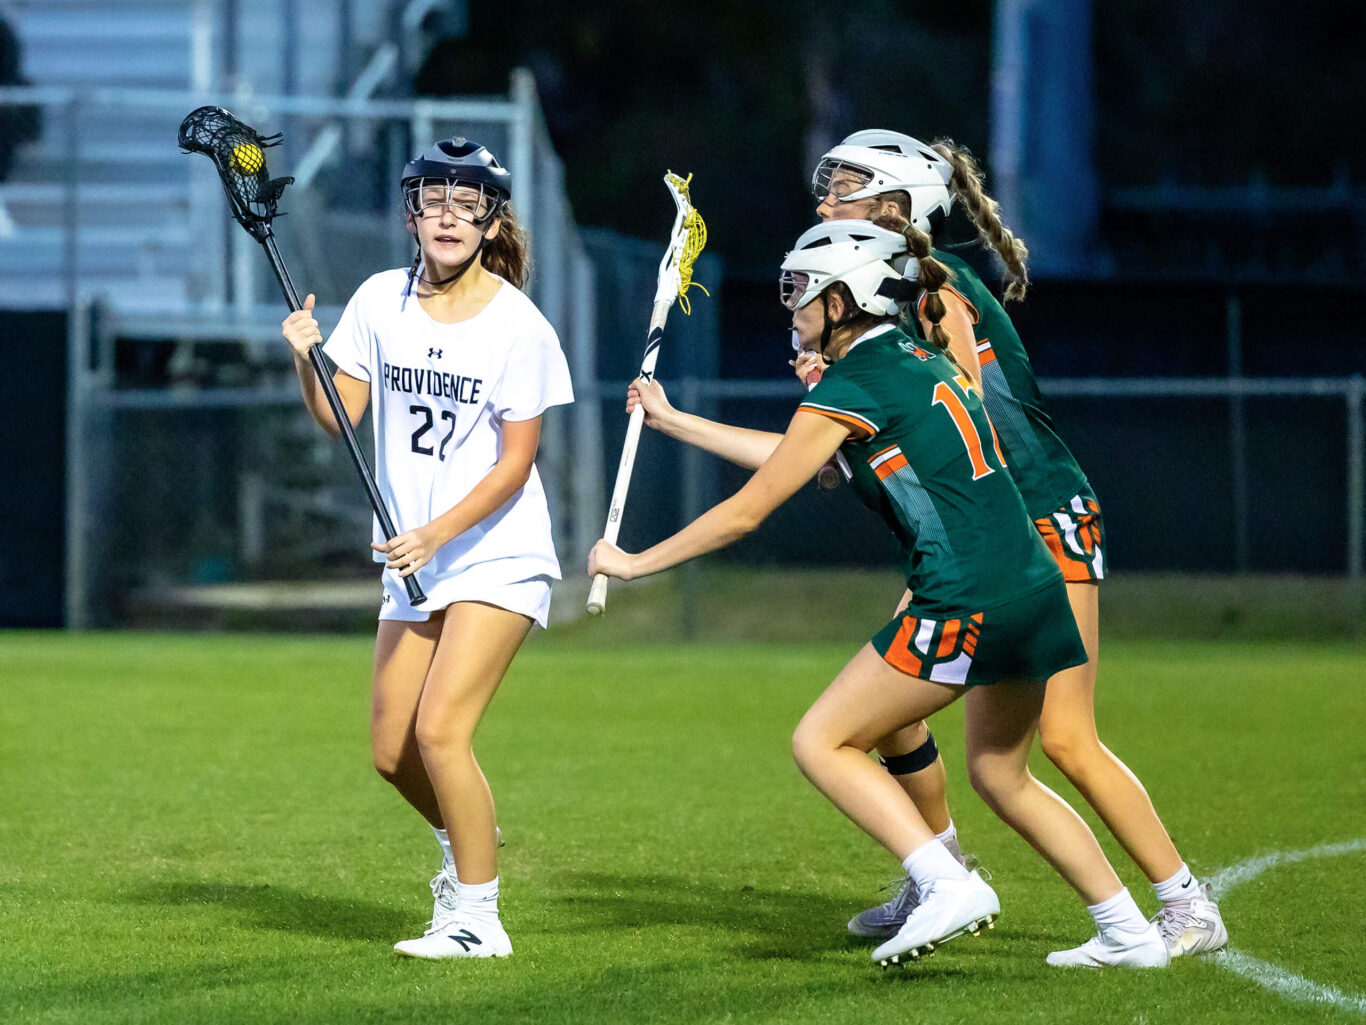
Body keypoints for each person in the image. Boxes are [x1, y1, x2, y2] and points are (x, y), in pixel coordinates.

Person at [591, 220, 1169, 968]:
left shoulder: (856, 380)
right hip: (1034, 585)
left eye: (803, 292)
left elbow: (750, 508)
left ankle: (943, 881)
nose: (791, 307)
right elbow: (801, 459)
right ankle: (1129, 930)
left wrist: (634, 562)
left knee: (822, 740)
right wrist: (676, 420)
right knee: (1000, 772)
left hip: (965, 596)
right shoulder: (907, 358)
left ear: (844, 299)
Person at [801, 130, 1225, 959]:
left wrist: (854, 393)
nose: (825, 202)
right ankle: (937, 871)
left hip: (1036, 522)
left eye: (845, 189)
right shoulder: (888, 291)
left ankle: (1185, 904)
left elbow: (968, 412)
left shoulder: (931, 287)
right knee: (909, 712)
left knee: (1061, 740)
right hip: (989, 532)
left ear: (895, 207)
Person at [280, 138, 573, 959]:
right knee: (390, 751)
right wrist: (309, 359)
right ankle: (468, 836)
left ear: (490, 219)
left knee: (441, 731)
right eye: (434, 201)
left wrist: (436, 532)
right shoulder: (379, 301)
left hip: (494, 551)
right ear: (411, 213)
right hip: (415, 560)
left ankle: (479, 917)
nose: (449, 216)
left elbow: (517, 465)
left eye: (467, 202)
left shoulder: (519, 324)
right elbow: (338, 418)